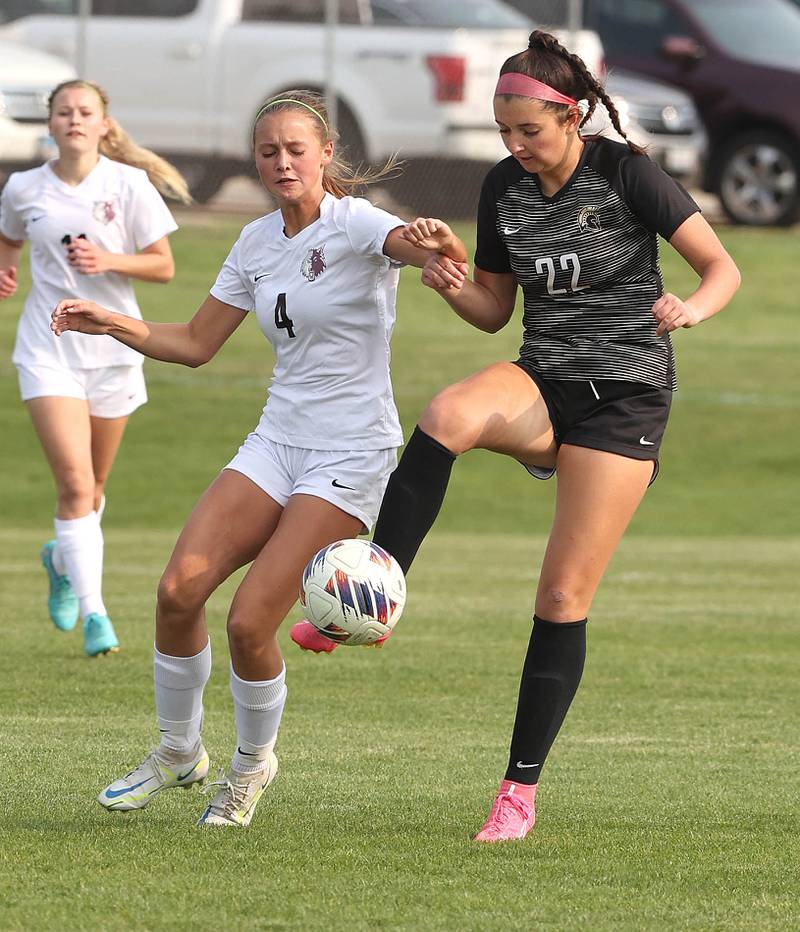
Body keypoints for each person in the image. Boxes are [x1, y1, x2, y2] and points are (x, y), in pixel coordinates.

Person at [291, 31, 741, 842]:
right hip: (543, 380)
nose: (514, 146)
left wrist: (691, 309)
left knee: (563, 595)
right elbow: (495, 310)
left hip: (624, 401)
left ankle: (517, 793)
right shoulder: (504, 187)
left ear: (570, 117)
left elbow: (722, 269)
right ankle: (374, 594)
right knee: (447, 414)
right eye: (504, 132)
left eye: (528, 131)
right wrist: (454, 282)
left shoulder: (625, 174)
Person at [50, 90, 467, 827]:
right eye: (268, 150)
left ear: (326, 154)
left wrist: (435, 240)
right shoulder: (254, 242)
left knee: (249, 622)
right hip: (277, 439)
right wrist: (111, 320)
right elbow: (197, 343)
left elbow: (418, 247)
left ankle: (249, 769)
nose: (281, 162)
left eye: (295, 149)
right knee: (179, 590)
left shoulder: (357, 223)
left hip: (350, 451)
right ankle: (179, 751)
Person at [0, 79, 189, 657]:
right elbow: (7, 240)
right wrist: (5, 270)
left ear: (104, 124)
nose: (75, 120)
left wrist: (108, 259)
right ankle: (96, 615)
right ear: (51, 124)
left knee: (95, 487)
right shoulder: (23, 187)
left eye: (86, 112)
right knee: (76, 485)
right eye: (64, 112)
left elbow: (163, 267)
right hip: (47, 347)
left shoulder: (127, 184)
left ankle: (61, 558)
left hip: (113, 349)